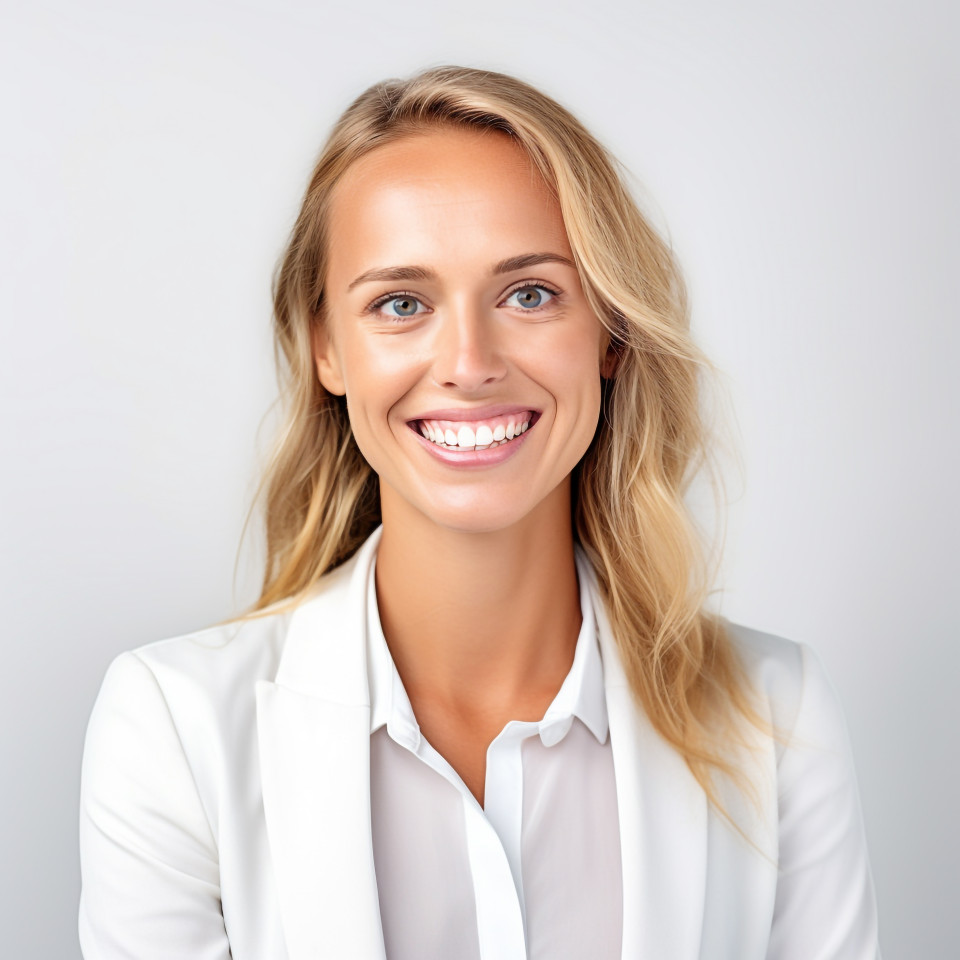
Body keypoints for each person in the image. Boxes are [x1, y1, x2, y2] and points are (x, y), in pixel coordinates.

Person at [77, 66, 881, 959]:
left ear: (610, 334)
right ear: (325, 350)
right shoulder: (172, 729)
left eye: (529, 294)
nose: (468, 361)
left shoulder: (776, 717)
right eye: (401, 303)